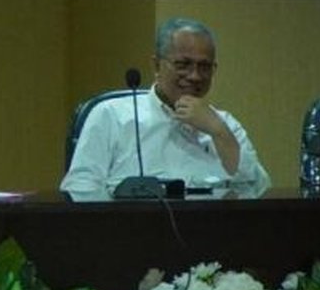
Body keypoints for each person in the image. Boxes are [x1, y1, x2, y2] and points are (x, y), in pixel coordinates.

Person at [61, 17, 269, 195]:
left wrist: (219, 132)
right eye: (183, 65)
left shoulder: (225, 125)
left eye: (204, 67)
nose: (195, 76)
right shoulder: (112, 116)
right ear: (157, 65)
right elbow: (80, 188)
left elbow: (256, 189)